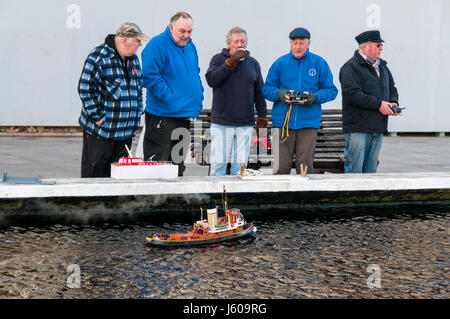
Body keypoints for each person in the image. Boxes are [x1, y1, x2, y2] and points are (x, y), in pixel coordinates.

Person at [262, 27, 338, 175]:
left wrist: (314, 97)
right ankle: (280, 198)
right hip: (283, 124)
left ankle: (303, 197)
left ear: (308, 43)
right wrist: (280, 94)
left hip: (308, 124)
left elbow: (331, 90)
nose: (298, 47)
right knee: (281, 168)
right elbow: (266, 89)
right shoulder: (280, 63)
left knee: (305, 168)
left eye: (301, 43)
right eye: (294, 43)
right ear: (290, 43)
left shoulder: (319, 63)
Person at [78, 22, 149, 178]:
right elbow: (85, 88)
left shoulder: (134, 59)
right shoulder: (99, 56)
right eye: (137, 40)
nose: (140, 44)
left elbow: (138, 90)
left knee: (119, 180)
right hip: (102, 133)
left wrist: (136, 117)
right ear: (124, 41)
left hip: (125, 135)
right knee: (95, 177)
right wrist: (98, 117)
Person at [141, 11, 204, 176]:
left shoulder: (190, 46)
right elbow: (150, 77)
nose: (186, 35)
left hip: (184, 115)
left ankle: (175, 200)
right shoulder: (157, 45)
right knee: (160, 163)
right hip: (163, 115)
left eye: (190, 32)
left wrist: (199, 94)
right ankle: (156, 200)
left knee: (178, 163)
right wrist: (171, 99)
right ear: (171, 27)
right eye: (182, 31)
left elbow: (194, 73)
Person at [205, 26, 267, 176]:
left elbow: (259, 92)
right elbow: (212, 80)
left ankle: (234, 198)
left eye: (242, 41)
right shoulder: (218, 59)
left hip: (245, 124)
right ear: (228, 43)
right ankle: (216, 197)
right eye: (236, 41)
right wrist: (230, 63)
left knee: (239, 168)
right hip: (221, 123)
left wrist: (262, 116)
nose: (240, 44)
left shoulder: (253, 63)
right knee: (218, 166)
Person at [339, 30, 399, 173]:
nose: (381, 48)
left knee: (371, 173)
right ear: (366, 46)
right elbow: (352, 95)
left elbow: (392, 88)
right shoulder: (350, 67)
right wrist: (379, 104)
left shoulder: (383, 67)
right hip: (358, 129)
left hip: (377, 127)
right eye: (378, 45)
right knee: (355, 171)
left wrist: (393, 102)